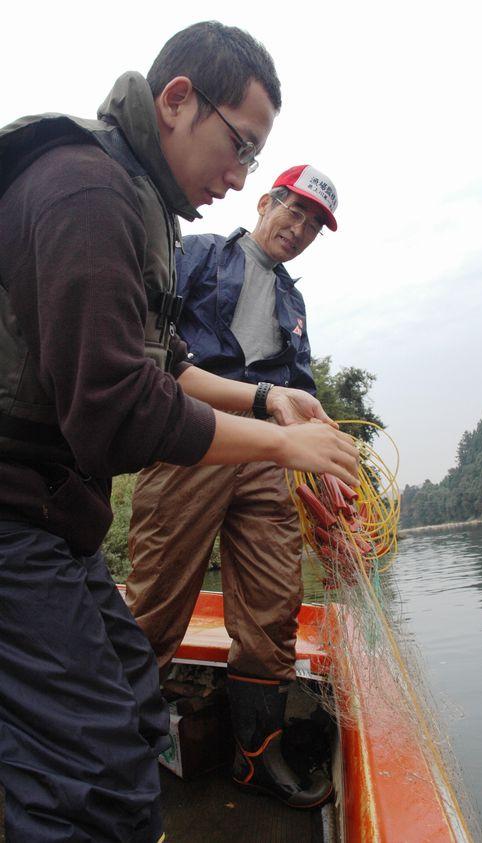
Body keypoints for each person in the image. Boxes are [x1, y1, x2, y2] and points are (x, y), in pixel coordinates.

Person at [0, 19, 358, 843]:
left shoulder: (149, 208)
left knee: (132, 685)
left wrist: (274, 407)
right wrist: (277, 438)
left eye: (253, 159)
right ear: (176, 100)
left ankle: (248, 746)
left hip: (61, 510)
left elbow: (159, 362)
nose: (238, 176)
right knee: (101, 765)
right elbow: (123, 404)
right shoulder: (97, 198)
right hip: (28, 508)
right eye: (238, 148)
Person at [127, 164, 340, 810]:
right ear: (265, 201)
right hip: (190, 438)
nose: (299, 229)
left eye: (312, 224)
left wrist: (319, 470)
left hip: (265, 458)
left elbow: (296, 399)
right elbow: (155, 347)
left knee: (274, 601)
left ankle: (256, 754)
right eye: (294, 211)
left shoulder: (293, 305)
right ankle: (113, 751)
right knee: (156, 598)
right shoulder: (196, 255)